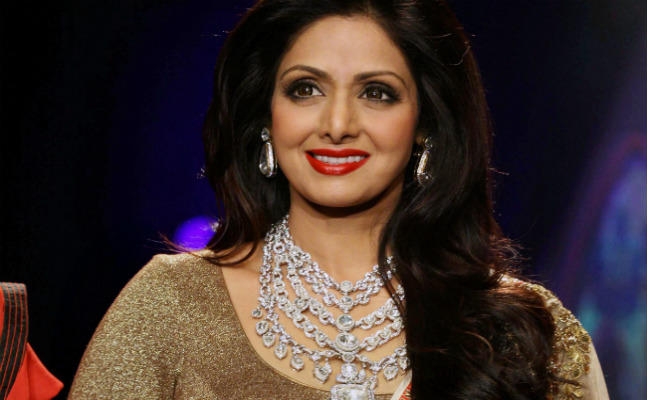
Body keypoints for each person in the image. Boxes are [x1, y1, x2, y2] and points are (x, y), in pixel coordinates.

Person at [69, 0, 609, 399]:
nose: (337, 124)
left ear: (425, 125)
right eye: (305, 89)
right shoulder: (170, 306)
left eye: (377, 93)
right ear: (266, 117)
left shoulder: (522, 331)